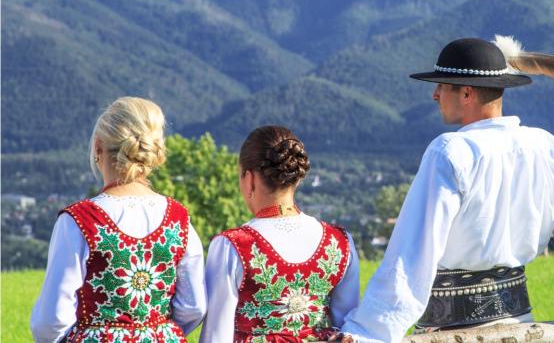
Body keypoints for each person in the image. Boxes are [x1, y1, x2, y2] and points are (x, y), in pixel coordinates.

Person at [340, 37, 554, 342]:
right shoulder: (547, 147)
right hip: (520, 325)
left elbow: (413, 250)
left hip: (451, 332)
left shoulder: (449, 151)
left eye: (441, 86)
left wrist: (369, 332)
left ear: (466, 93)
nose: (434, 94)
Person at [30, 97, 206, 341]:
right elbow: (193, 306)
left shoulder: (79, 221)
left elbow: (52, 320)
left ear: (98, 147)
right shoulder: (178, 219)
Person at [201, 125, 360, 341]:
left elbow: (216, 335)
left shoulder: (232, 245)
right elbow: (348, 327)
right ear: (297, 177)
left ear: (249, 180)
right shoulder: (340, 242)